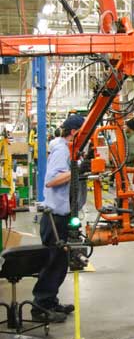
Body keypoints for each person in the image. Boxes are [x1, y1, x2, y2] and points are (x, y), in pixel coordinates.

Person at [32, 114, 85, 323]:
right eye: (83, 132)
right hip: (54, 219)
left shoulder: (70, 150)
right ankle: (40, 308)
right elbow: (51, 181)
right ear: (74, 132)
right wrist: (77, 169)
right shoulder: (62, 150)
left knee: (60, 264)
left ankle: (50, 302)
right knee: (52, 263)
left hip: (63, 217)